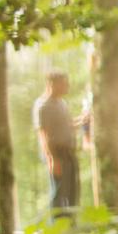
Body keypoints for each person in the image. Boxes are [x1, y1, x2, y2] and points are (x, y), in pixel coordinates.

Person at [34, 71, 80, 218]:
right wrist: (52, 159)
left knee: (72, 192)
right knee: (59, 193)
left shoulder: (62, 103)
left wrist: (81, 120)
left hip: (69, 152)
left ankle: (71, 227)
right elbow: (43, 134)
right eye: (63, 84)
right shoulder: (43, 105)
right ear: (52, 84)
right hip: (56, 153)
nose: (67, 87)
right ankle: (57, 231)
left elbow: (67, 125)